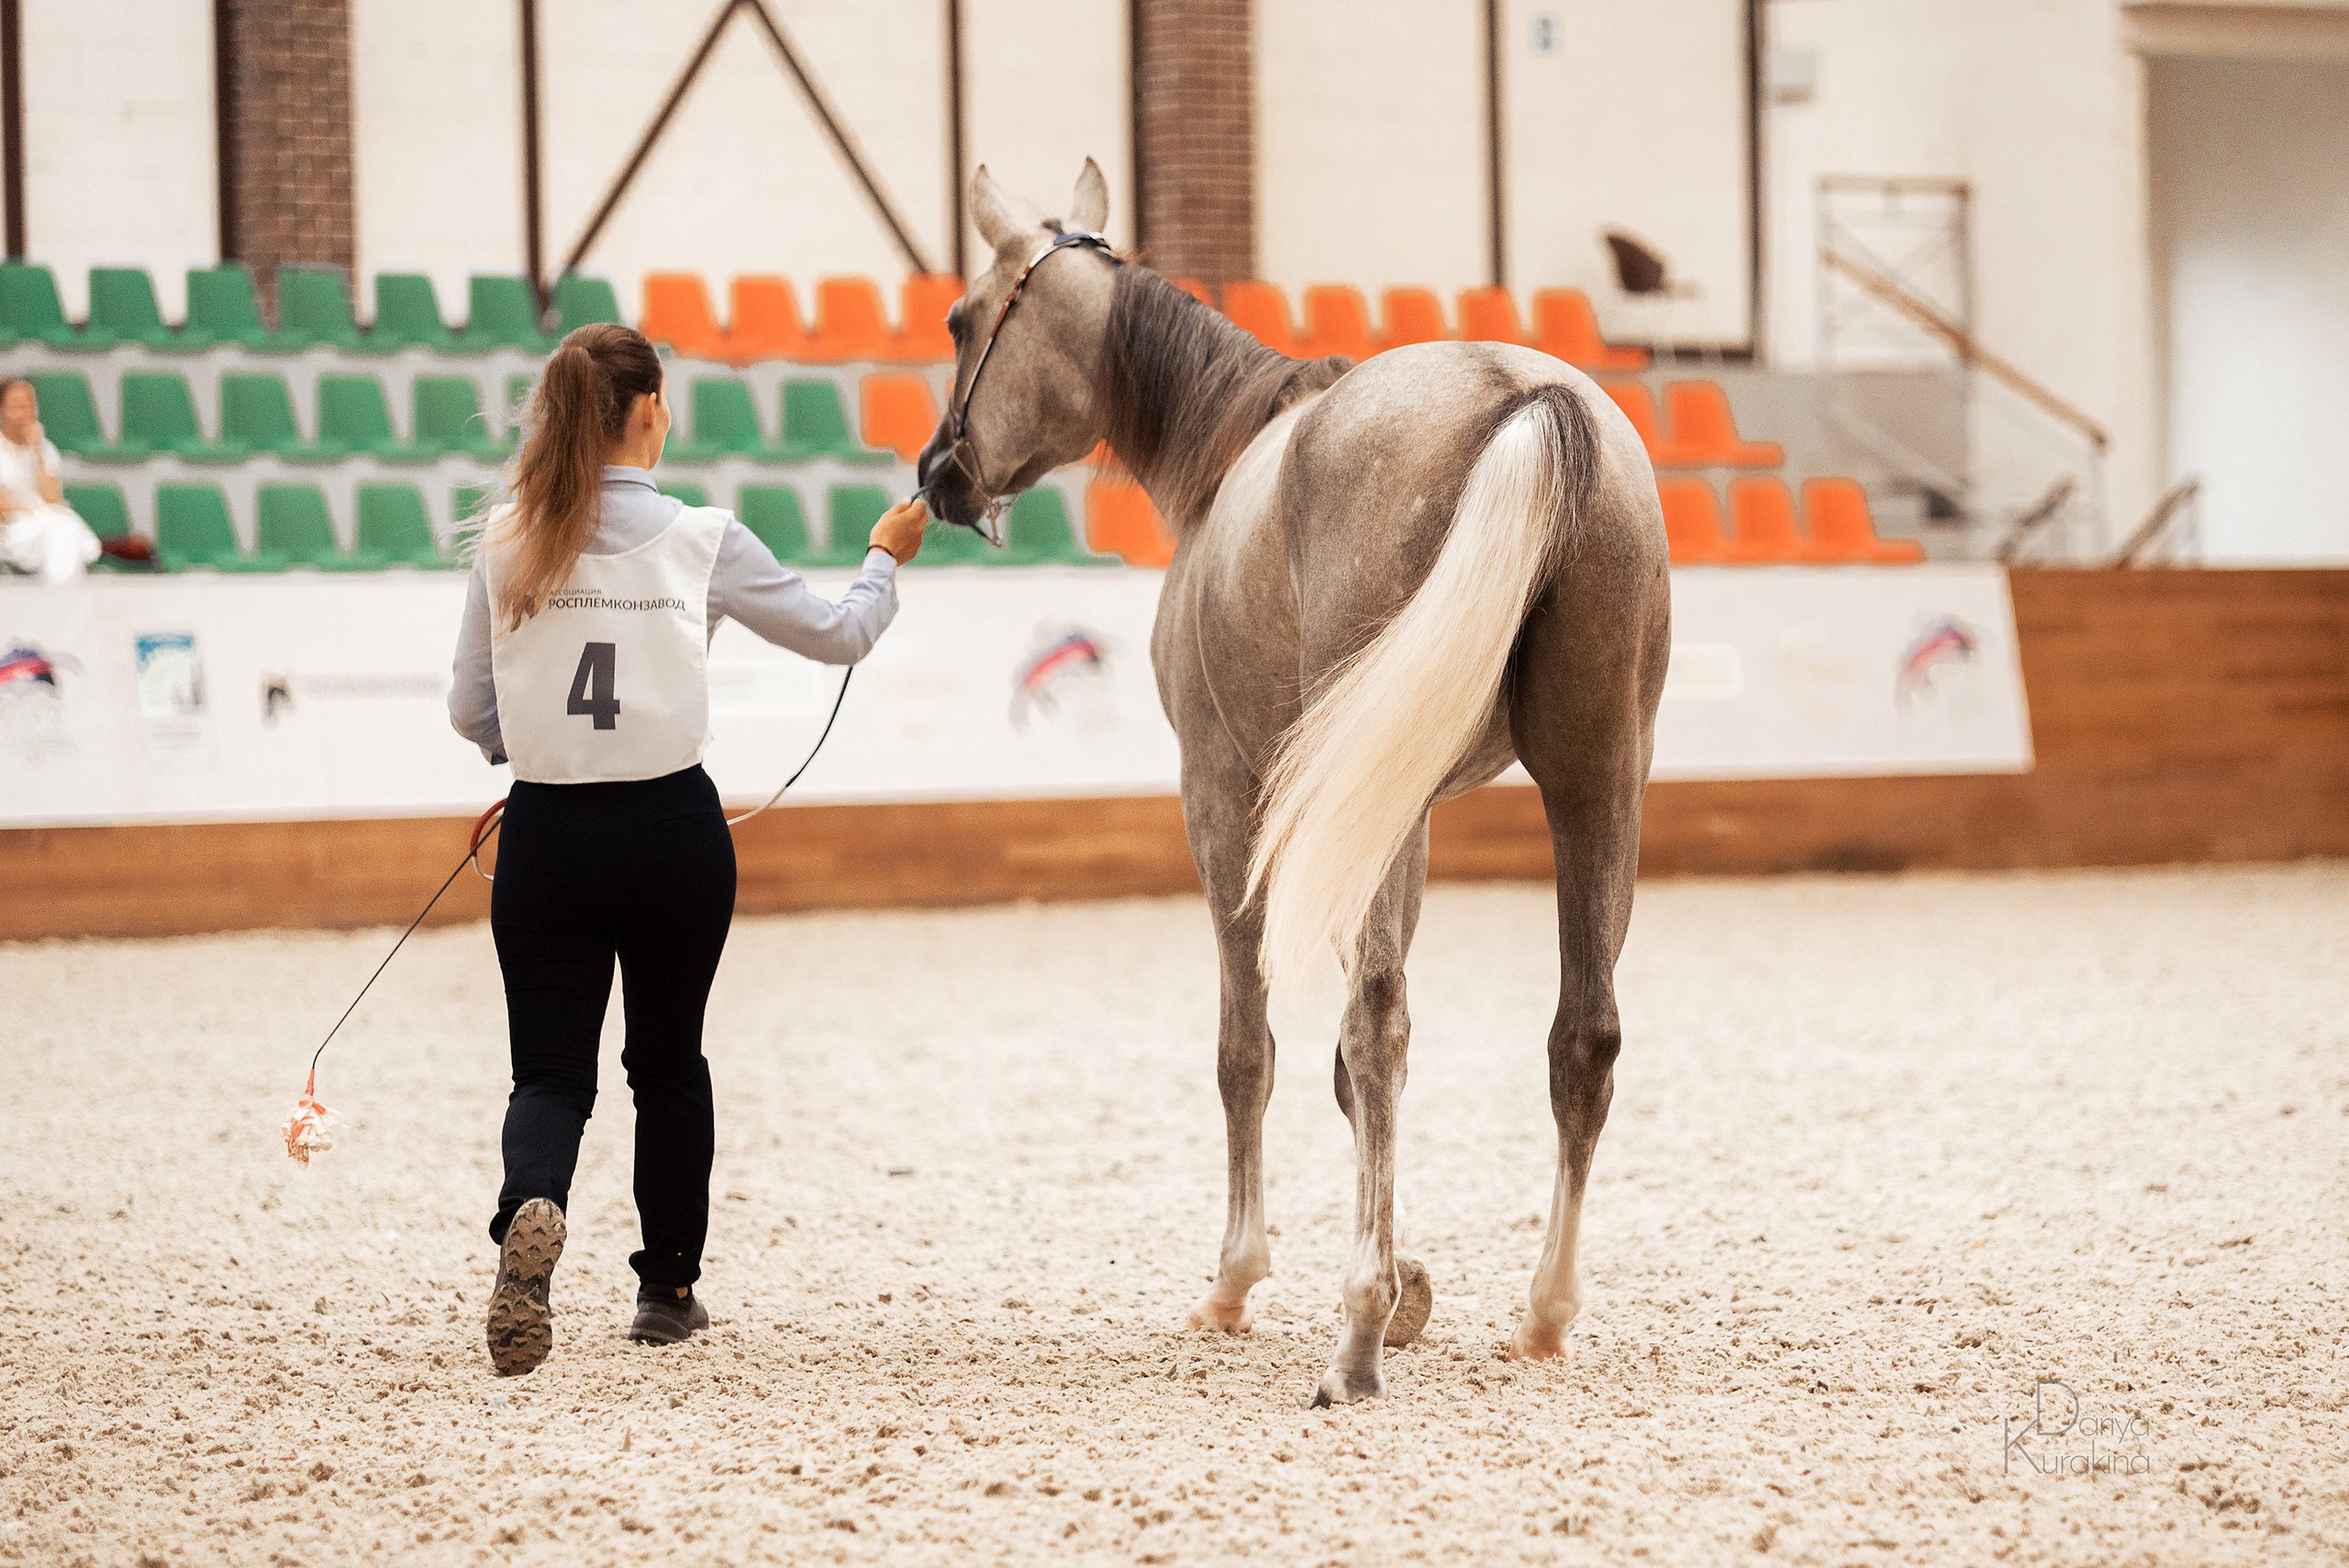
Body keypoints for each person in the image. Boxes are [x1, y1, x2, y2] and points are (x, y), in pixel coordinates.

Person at [448, 323, 927, 1376]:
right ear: (648, 411)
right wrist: (884, 556)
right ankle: (665, 1290)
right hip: (673, 832)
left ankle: (532, 1206)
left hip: (548, 834)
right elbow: (840, 632)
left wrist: (527, 751)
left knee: (550, 1073)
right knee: (668, 1063)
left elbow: (470, 709)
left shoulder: (507, 539)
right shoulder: (705, 538)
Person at [0, 378, 103, 583]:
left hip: (43, 526)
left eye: (30, 403)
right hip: (11, 531)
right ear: (2, 410)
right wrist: (34, 509)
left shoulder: (45, 448)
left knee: (59, 530)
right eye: (17, 405)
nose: (26, 411)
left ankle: (59, 597)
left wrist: (37, 451)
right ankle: (66, 601)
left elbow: (53, 498)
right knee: (64, 529)